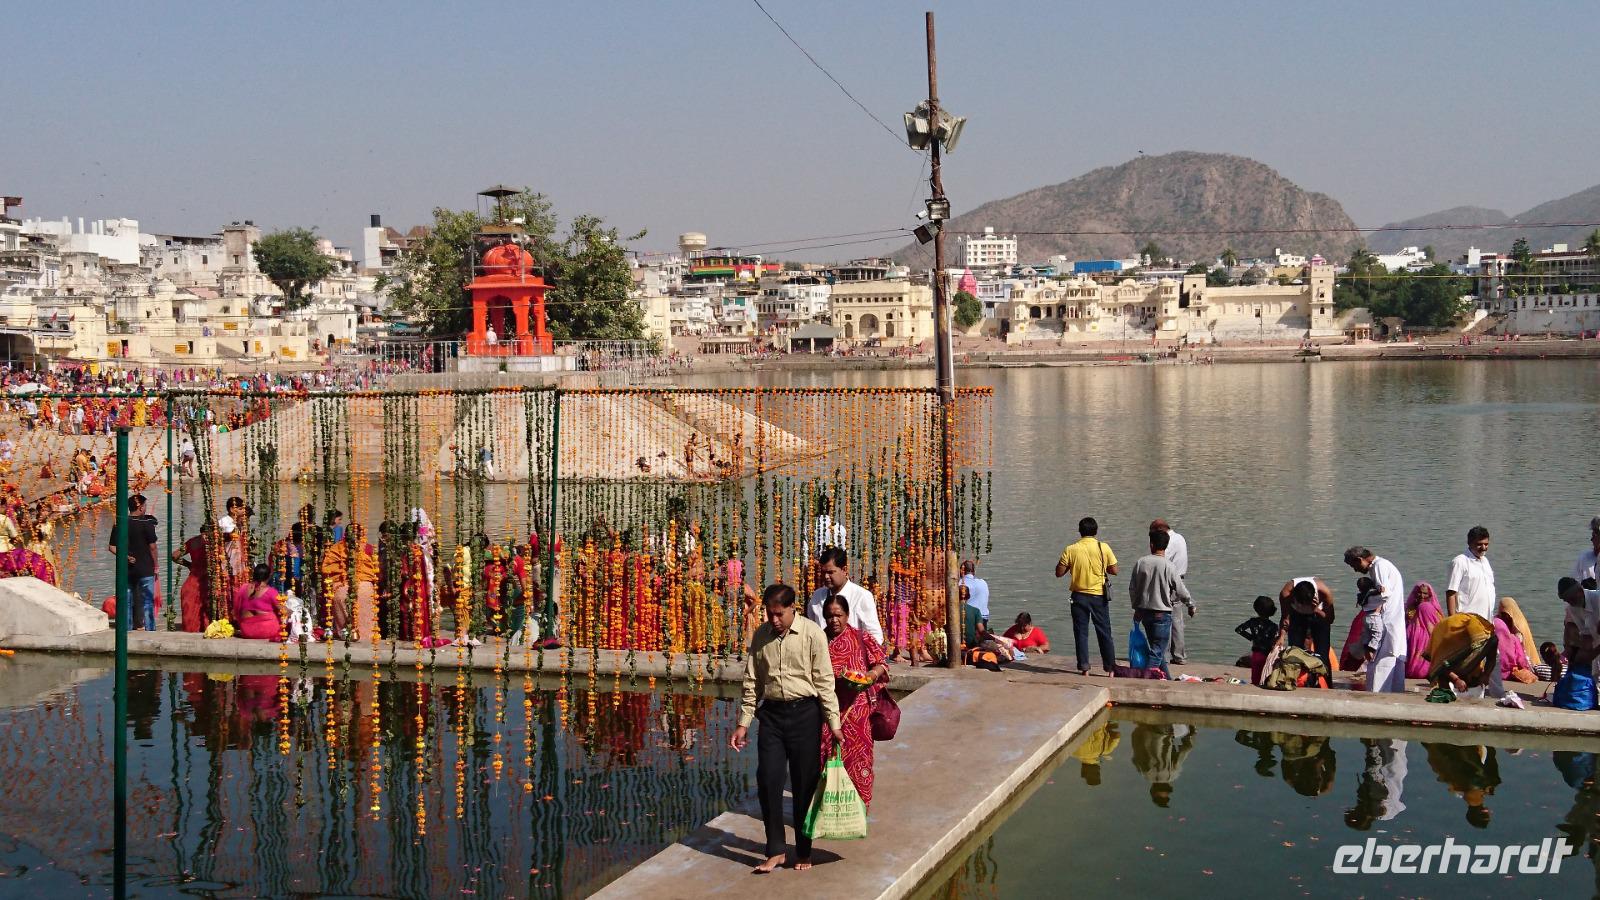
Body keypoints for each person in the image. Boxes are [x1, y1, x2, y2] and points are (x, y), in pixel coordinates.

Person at [730, 584, 843, 874]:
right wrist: (743, 723)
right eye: (770, 614)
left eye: (779, 614)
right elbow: (752, 681)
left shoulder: (812, 634)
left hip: (805, 714)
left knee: (804, 784)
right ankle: (776, 850)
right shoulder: (762, 636)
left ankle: (803, 850)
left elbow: (824, 681)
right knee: (768, 780)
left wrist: (834, 722)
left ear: (793, 608)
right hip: (772, 716)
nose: (774, 619)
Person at [818, 593, 890, 809]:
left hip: (857, 711)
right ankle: (830, 808)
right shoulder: (818, 640)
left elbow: (882, 663)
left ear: (847, 615)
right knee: (826, 756)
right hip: (827, 711)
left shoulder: (861, 637)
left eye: (838, 615)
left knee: (860, 760)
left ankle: (859, 808)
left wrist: (870, 676)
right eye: (829, 616)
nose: (834, 620)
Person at [1443, 528, 1520, 706]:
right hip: (1467, 621)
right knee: (1466, 660)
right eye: (1479, 545)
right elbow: (1451, 592)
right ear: (1469, 543)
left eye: (1486, 544)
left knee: (1494, 658)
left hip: (1486, 621)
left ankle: (1497, 695)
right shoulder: (1460, 562)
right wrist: (1453, 620)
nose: (1483, 548)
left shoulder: (1485, 562)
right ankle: (1459, 694)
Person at [1054, 516, 1118, 676]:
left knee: (1081, 633)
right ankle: (1110, 669)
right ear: (1096, 531)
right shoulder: (1103, 547)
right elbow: (1114, 570)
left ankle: (1084, 668)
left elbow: (1059, 573)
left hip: (1078, 596)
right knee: (1104, 632)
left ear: (1080, 531)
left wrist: (1070, 565)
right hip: (1098, 596)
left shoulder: (1071, 549)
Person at [1127, 529, 1192, 678]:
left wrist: (1136, 608)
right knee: (1157, 652)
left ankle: (1167, 678)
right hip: (1161, 614)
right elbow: (1180, 589)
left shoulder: (1141, 562)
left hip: (1145, 613)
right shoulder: (1169, 566)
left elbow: (1132, 588)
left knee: (1157, 650)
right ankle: (1145, 679)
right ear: (1166, 546)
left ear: (1151, 544)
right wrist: (1190, 604)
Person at [1342, 547, 1408, 693]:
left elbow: (1385, 594)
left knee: (1380, 663)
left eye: (1354, 566)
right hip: (1392, 621)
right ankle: (1393, 694)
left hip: (1387, 621)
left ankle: (1378, 697)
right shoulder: (1380, 566)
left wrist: (1365, 601)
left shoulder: (1379, 566)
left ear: (1360, 559)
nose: (1356, 570)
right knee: (1392, 661)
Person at [807, 547, 884, 646]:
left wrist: (854, 651)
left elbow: (875, 636)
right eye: (823, 572)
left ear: (844, 570)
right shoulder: (817, 596)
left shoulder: (862, 596)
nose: (826, 577)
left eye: (830, 572)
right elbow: (811, 629)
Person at [107, 494, 160, 631]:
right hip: (145, 568)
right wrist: (156, 565)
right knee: (147, 601)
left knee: (126, 601)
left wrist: (125, 556)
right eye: (145, 506)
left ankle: (127, 630)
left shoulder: (119, 523)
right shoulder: (147, 524)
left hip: (127, 569)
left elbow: (112, 547)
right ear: (140, 507)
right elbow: (153, 547)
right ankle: (150, 630)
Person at [1149, 519, 1192, 663]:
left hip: (1169, 581)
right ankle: (1179, 656)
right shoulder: (1180, 537)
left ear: (1159, 530)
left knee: (1164, 618)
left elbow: (1160, 560)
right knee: (1177, 621)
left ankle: (1164, 657)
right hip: (1180, 580)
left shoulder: (1169, 541)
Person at [1277, 576, 1336, 674]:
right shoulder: (1286, 593)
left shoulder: (1324, 592)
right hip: (1296, 616)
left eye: (1306, 604)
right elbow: (1285, 617)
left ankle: (1324, 679)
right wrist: (1281, 636)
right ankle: (1298, 678)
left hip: (1318, 615)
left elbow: (1330, 619)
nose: (1303, 607)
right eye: (1300, 603)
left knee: (1322, 655)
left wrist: (1315, 610)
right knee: (1295, 652)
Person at [233, 562, 284, 640]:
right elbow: (283, 610)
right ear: (269, 576)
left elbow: (237, 609)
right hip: (268, 630)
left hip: (247, 631)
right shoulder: (271, 591)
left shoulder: (243, 588)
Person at [1235, 595, 1279, 685]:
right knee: (1267, 675)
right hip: (1268, 653)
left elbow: (1239, 630)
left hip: (1256, 652)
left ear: (1256, 609)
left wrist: (1252, 637)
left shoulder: (1252, 621)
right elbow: (1274, 639)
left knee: (1255, 676)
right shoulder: (1273, 626)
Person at [1404, 582, 1444, 679]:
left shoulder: (1429, 608)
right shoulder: (1409, 608)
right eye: (1419, 592)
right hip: (1411, 641)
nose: (1422, 596)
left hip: (1424, 641)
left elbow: (1435, 627)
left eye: (1425, 593)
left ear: (1429, 595)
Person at [1494, 597, 1538, 684]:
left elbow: (1519, 648)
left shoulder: (1517, 625)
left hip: (1526, 657)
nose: (1501, 614)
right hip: (1518, 658)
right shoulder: (1510, 620)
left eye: (1503, 612)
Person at [959, 559, 989, 628]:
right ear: (974, 571)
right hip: (983, 618)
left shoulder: (960, 583)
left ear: (961, 571)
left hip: (968, 619)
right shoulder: (983, 582)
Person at [1574, 517, 1600, 586]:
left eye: (1595, 535)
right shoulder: (1584, 558)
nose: (1592, 540)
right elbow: (1574, 584)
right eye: (1593, 535)